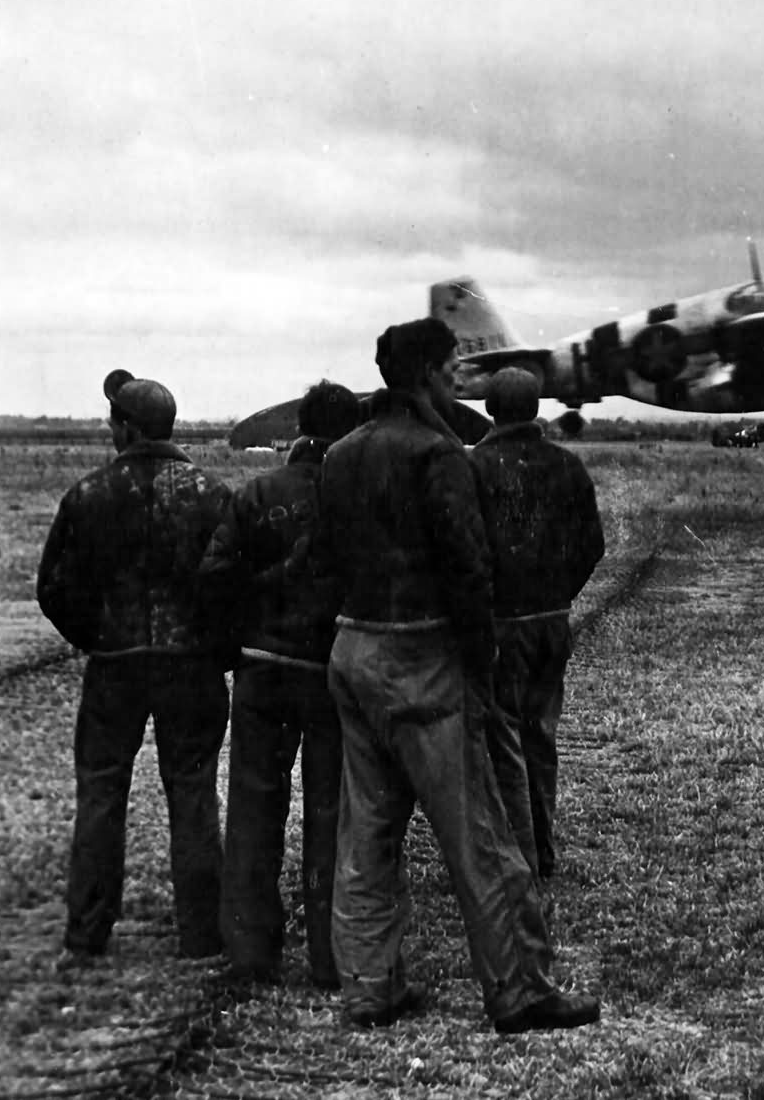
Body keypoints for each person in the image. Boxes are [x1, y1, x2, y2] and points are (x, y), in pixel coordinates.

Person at [316, 319, 599, 1034]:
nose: (454, 379)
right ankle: (521, 988)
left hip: (353, 651)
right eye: (449, 368)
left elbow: (326, 561)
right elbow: (468, 570)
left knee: (368, 835)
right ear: (432, 374)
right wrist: (479, 659)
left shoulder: (342, 454)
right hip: (424, 661)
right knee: (481, 836)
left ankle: (369, 986)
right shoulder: (441, 455)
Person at [37, 370, 232, 962]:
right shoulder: (211, 494)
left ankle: (88, 930)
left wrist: (95, 636)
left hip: (115, 666)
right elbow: (231, 586)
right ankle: (201, 934)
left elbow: (54, 588)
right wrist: (212, 648)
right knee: (193, 793)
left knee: (100, 794)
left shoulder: (89, 494)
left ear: (124, 428)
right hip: (190, 668)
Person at [200, 381, 361, 985]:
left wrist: (240, 637)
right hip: (331, 673)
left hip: (263, 669)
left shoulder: (256, 492)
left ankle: (250, 951)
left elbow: (215, 577)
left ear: (301, 426)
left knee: (253, 808)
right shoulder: (359, 499)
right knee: (331, 813)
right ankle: (329, 955)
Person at [467, 368, 605, 882]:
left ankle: (516, 856)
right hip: (551, 622)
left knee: (500, 741)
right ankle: (540, 850)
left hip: (500, 625)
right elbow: (592, 545)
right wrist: (558, 596)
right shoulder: (567, 465)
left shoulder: (474, 466)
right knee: (539, 737)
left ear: (489, 409)